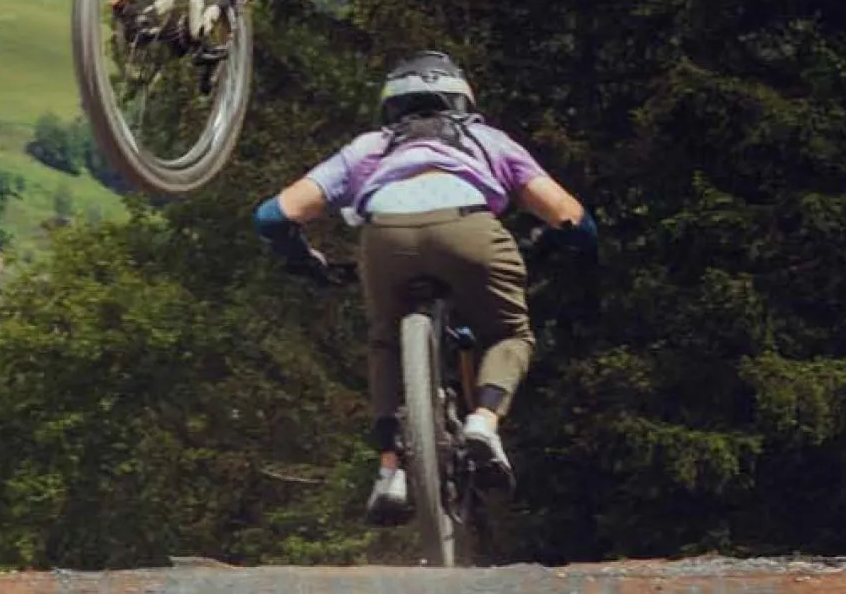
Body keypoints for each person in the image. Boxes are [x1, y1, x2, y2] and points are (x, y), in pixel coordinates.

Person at [253, 51, 595, 522]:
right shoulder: (486, 139)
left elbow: (273, 216)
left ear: (391, 105)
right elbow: (571, 217)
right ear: (462, 100)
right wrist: (549, 244)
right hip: (470, 231)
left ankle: (389, 471)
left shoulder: (371, 147)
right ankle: (484, 423)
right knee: (509, 333)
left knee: (385, 342)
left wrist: (306, 261)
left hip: (384, 239)